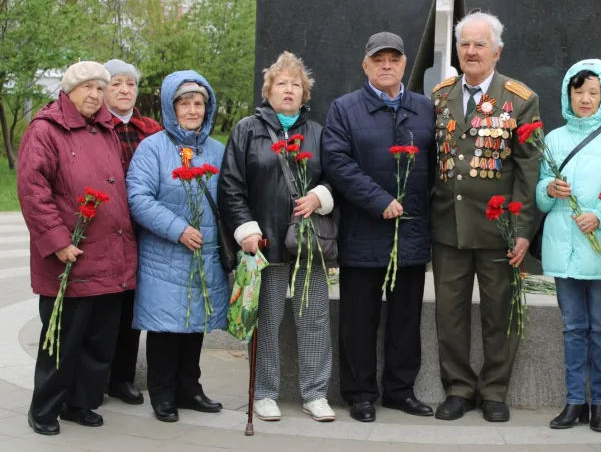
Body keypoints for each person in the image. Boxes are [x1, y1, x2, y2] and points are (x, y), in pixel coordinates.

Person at [431, 11, 542, 423]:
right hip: (448, 226)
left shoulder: (520, 98)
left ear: (497, 51)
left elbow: (530, 170)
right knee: (450, 315)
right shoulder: (440, 95)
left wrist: (524, 230)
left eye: (480, 44)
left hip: (500, 232)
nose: (471, 51)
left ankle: (495, 391)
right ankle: (458, 388)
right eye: (465, 44)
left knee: (500, 314)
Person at [322, 32, 435, 422]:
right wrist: (379, 200)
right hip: (363, 232)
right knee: (359, 320)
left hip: (411, 232)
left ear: (405, 64)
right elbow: (337, 163)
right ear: (365, 65)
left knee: (406, 319)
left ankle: (401, 391)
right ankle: (360, 394)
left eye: (394, 58)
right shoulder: (344, 109)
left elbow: (437, 167)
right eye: (378, 59)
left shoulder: (426, 108)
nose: (387, 65)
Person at [18, 61, 137, 435]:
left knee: (100, 340)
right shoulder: (45, 130)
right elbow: (33, 190)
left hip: (110, 256)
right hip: (71, 257)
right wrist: (57, 242)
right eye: (87, 87)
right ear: (68, 92)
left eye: (100, 89)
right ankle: (45, 408)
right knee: (63, 341)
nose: (95, 95)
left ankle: (81, 403)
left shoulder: (105, 130)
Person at [219, 52, 336, 423]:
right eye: (281, 83)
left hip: (308, 245)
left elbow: (338, 177)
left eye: (296, 84)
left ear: (305, 94)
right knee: (266, 318)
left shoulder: (318, 133)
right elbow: (231, 185)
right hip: (264, 243)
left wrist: (321, 196)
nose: (289, 90)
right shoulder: (246, 130)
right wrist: (246, 229)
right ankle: (265, 392)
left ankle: (315, 393)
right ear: (268, 91)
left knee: (314, 318)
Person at [126, 71, 228, 423]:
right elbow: (138, 198)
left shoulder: (217, 150)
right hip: (165, 255)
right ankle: (163, 393)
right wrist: (178, 229)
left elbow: (230, 197)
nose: (192, 109)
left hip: (204, 254)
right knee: (165, 328)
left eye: (199, 103)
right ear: (172, 107)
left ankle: (190, 388)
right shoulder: (152, 148)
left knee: (194, 325)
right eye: (184, 102)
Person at [535, 59, 601, 433]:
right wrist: (548, 189)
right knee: (573, 328)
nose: (585, 99)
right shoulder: (554, 139)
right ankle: (575, 401)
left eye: (593, 92)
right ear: (567, 95)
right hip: (563, 249)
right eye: (578, 92)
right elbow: (540, 195)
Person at [102, 59, 162, 406]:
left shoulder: (150, 129)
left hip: (143, 230)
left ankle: (123, 377)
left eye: (130, 84)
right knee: (105, 308)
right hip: (107, 230)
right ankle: (98, 375)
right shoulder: (96, 126)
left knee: (131, 308)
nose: (125, 90)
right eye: (116, 84)